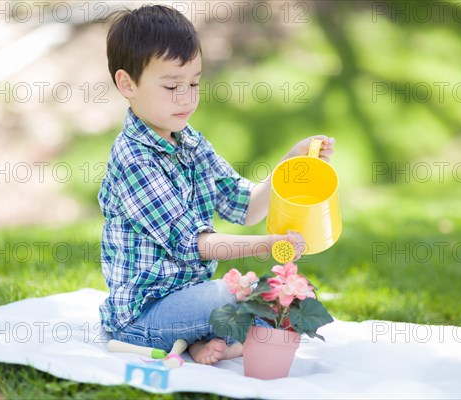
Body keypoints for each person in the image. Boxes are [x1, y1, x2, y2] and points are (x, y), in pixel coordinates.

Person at [98, 4, 335, 365]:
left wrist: (292, 162)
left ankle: (198, 340)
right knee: (230, 296)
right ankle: (206, 335)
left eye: (193, 83)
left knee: (289, 295)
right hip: (144, 314)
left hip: (189, 297)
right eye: (171, 86)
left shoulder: (190, 141)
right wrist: (268, 245)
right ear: (127, 83)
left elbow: (246, 205)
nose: (186, 97)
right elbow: (198, 245)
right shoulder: (134, 160)